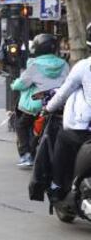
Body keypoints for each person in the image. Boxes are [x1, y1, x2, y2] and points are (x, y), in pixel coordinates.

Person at [44, 23, 91, 202]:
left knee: (63, 138)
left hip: (84, 131)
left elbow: (63, 92)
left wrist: (47, 108)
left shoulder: (84, 66)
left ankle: (57, 186)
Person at [11, 34, 69, 167]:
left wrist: (13, 84)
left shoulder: (35, 65)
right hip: (59, 103)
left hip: (38, 103)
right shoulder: (64, 64)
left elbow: (21, 84)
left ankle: (26, 155)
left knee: (21, 125)